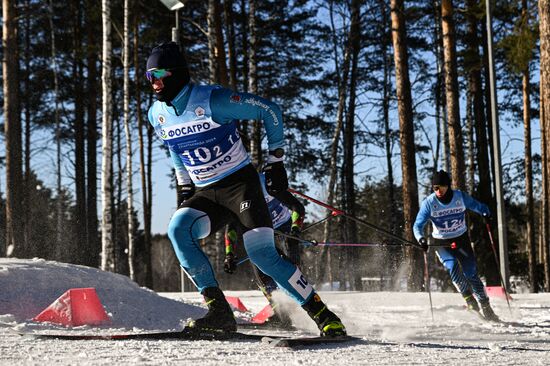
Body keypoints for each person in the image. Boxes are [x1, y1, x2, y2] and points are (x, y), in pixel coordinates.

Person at [146, 42, 346, 336]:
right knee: (178, 229)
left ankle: (324, 315)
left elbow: (270, 110)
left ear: (176, 73)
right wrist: (186, 187)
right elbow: (174, 147)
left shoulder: (213, 100)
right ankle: (219, 312)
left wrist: (276, 161)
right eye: (149, 76)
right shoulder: (157, 114)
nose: (155, 82)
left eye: (159, 74)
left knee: (261, 254)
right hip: (207, 192)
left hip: (240, 186)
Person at [413, 170, 499, 322]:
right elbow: (417, 226)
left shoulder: (460, 197)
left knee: (471, 272)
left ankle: (486, 306)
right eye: (435, 188)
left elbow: (478, 206)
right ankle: (469, 299)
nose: (438, 190)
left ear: (448, 186)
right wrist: (421, 239)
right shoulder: (429, 203)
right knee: (452, 266)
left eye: (441, 187)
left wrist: (486, 213)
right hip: (441, 242)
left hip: (461, 239)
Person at [223, 172, 305, 326]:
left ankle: (306, 306)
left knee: (290, 265)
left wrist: (295, 231)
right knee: (260, 266)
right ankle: (280, 311)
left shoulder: (266, 183)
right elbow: (231, 228)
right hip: (260, 231)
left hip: (284, 227)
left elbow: (297, 207)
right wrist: (229, 254)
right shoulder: (235, 196)